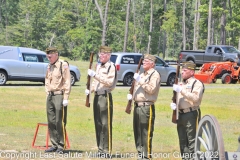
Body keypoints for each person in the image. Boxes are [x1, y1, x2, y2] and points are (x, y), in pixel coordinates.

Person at [127, 54, 161, 160]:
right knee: (138, 131)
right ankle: (140, 154)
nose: (143, 63)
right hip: (137, 106)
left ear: (152, 64)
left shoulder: (154, 74)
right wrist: (131, 96)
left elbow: (151, 89)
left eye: (146, 61)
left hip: (147, 107)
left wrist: (140, 80)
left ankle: (146, 156)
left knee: (146, 132)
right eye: (143, 61)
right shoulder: (142, 74)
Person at [85, 46, 117, 158]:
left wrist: (95, 75)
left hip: (105, 96)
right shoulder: (99, 66)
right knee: (98, 123)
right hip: (97, 96)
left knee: (105, 124)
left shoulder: (111, 67)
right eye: (100, 54)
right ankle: (100, 149)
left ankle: (107, 151)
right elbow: (95, 82)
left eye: (102, 54)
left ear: (108, 55)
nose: (100, 56)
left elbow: (109, 82)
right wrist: (90, 90)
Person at [170, 61, 204, 159]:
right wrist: (174, 104)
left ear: (192, 72)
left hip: (191, 114)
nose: (182, 72)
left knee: (192, 141)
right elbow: (177, 98)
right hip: (180, 115)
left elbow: (195, 98)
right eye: (182, 70)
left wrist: (181, 90)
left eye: (185, 70)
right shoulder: (181, 84)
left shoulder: (197, 83)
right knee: (182, 141)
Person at [44, 47, 71, 153]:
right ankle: (54, 144)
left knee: (59, 121)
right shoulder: (49, 66)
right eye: (48, 56)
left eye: (50, 56)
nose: (49, 58)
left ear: (56, 54)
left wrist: (66, 97)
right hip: (50, 95)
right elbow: (46, 79)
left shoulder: (63, 65)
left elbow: (67, 81)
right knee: (51, 121)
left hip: (59, 95)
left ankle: (61, 145)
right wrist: (47, 93)